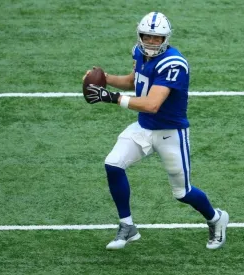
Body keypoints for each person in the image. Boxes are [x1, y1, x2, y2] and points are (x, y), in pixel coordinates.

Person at [82, 11, 229, 250]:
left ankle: (216, 218)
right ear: (140, 35)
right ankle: (127, 226)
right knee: (113, 163)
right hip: (144, 127)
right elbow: (134, 80)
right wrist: (105, 78)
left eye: (156, 38)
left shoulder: (174, 63)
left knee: (183, 193)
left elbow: (152, 104)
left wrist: (110, 97)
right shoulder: (139, 53)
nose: (151, 42)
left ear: (165, 39)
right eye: (147, 36)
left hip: (171, 132)